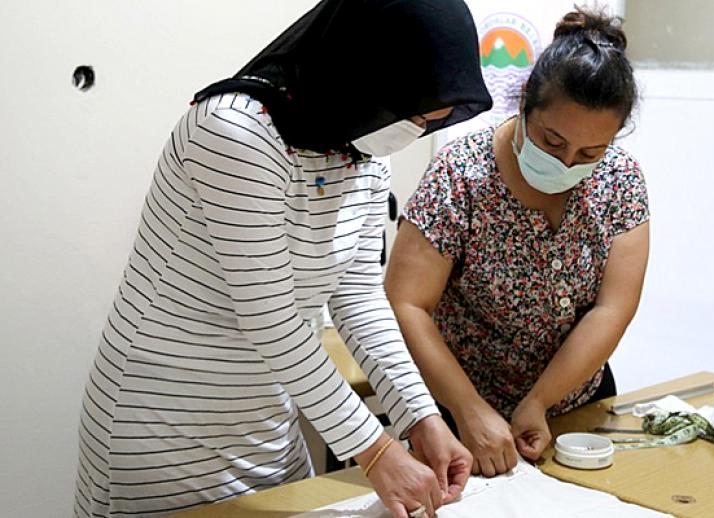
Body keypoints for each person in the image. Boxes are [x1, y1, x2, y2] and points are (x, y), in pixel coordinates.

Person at [73, 1, 492, 516]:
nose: (411, 131)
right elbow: (270, 317)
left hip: (269, 426)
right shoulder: (234, 134)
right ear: (362, 68)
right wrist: (377, 448)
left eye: (427, 122)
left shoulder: (362, 154)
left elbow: (359, 299)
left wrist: (420, 418)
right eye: (410, 114)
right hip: (165, 429)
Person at [386, 8, 649, 478]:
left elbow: (613, 308)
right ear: (526, 100)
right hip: (460, 413)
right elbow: (407, 302)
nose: (568, 162)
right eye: (553, 141)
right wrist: (468, 409)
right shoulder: (461, 173)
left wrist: (540, 401)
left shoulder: (621, 180)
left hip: (572, 409)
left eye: (591, 152)